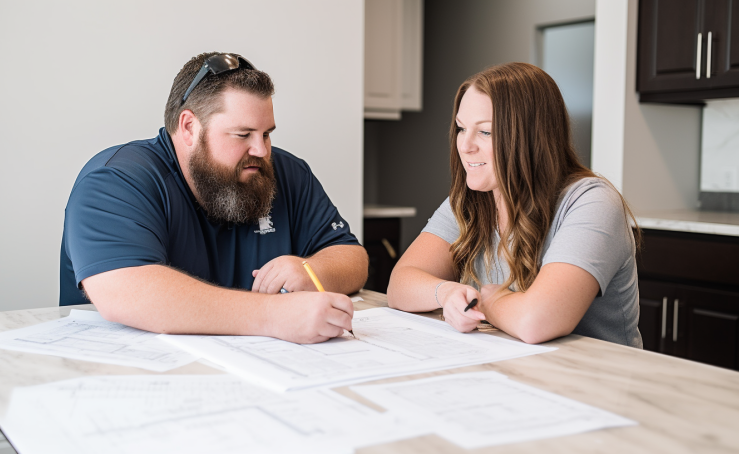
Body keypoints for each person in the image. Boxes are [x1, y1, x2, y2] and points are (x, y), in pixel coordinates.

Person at [60, 52, 368, 344]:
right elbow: (124, 291)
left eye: (266, 134)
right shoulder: (116, 179)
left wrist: (311, 271)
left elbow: (352, 257)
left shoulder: (284, 173)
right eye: (243, 135)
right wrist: (275, 316)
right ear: (189, 127)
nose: (261, 151)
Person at [387, 62, 642, 348]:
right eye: (461, 128)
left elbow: (537, 321)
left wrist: (486, 300)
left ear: (531, 137)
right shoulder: (469, 202)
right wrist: (445, 293)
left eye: (485, 132)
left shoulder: (592, 202)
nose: (465, 145)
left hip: (596, 383)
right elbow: (399, 285)